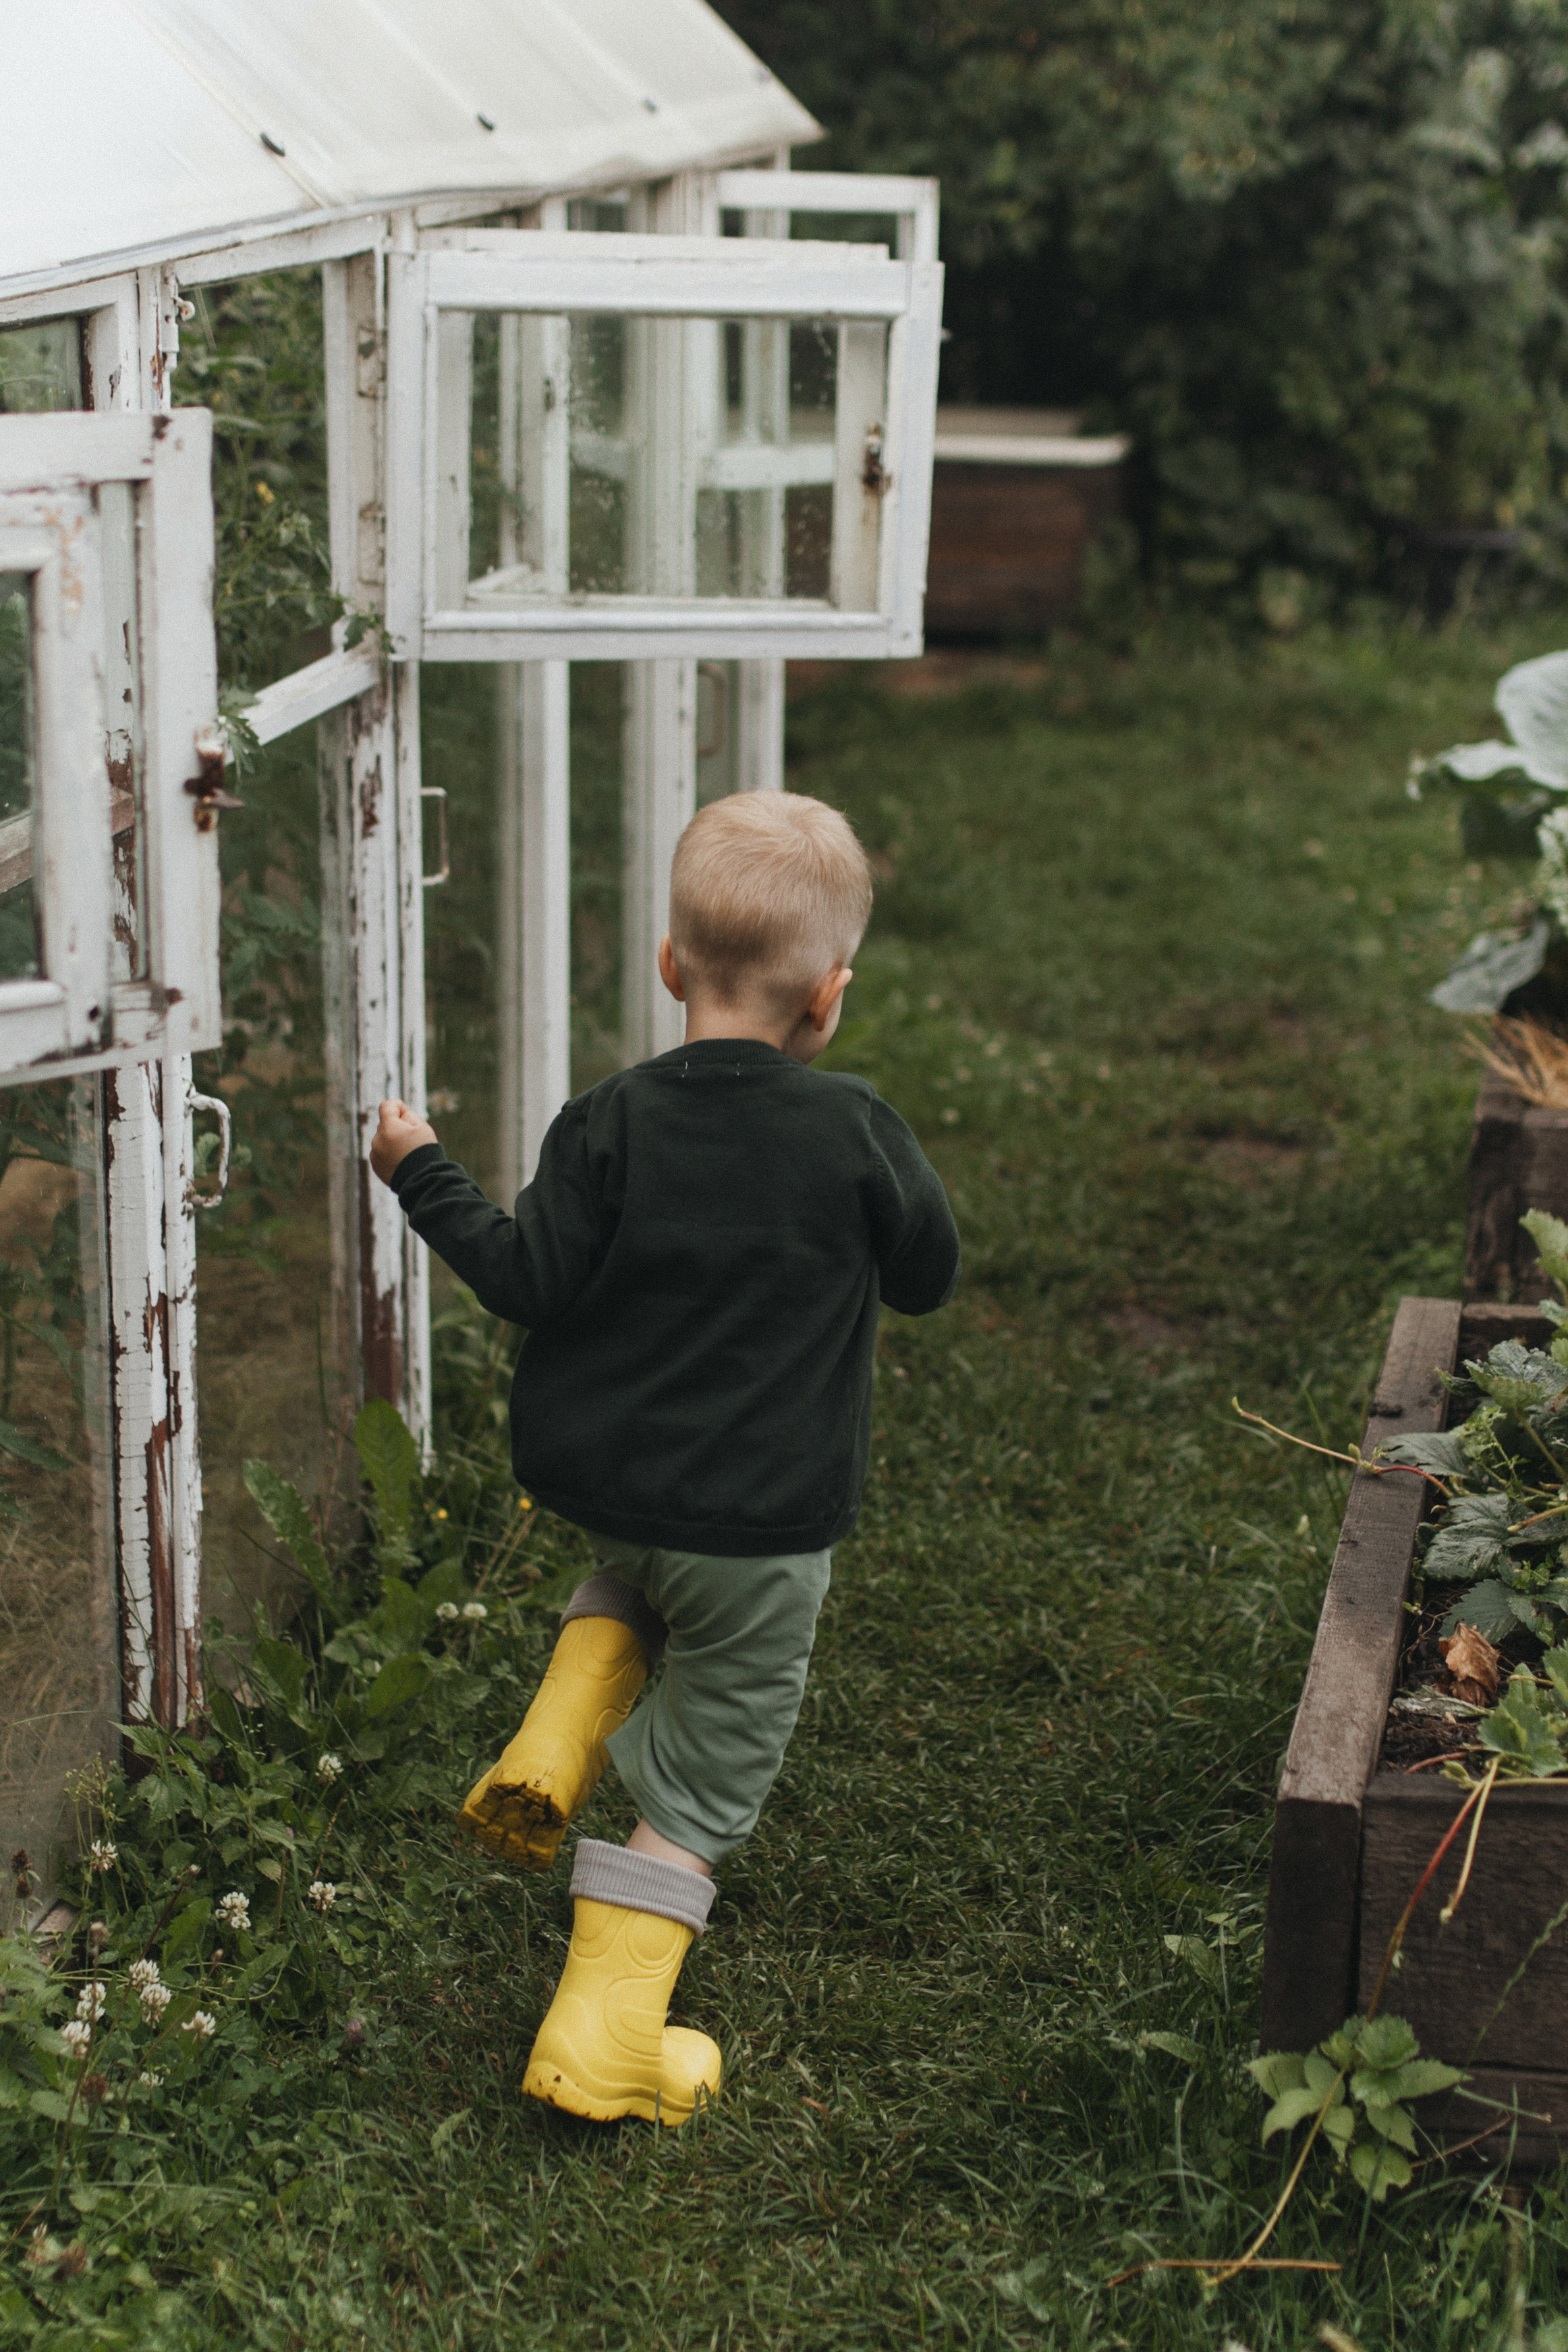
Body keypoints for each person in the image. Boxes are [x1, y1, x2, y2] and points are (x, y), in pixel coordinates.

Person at [370, 790, 959, 2127]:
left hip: (610, 1499)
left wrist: (421, 1170)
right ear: (830, 998)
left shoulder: (607, 1122)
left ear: (670, 967)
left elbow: (524, 1279)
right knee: (707, 1781)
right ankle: (605, 2035)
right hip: (753, 1534)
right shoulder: (855, 1129)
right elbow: (927, 1274)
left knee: (641, 1579)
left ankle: (562, 1723)